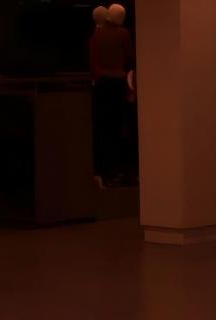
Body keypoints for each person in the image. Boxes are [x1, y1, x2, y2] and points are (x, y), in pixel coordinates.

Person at [90, 3, 134, 184]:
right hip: (119, 82)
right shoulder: (123, 34)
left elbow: (93, 62)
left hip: (102, 84)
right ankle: (119, 168)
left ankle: (103, 168)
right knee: (119, 126)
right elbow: (129, 58)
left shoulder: (97, 35)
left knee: (103, 126)